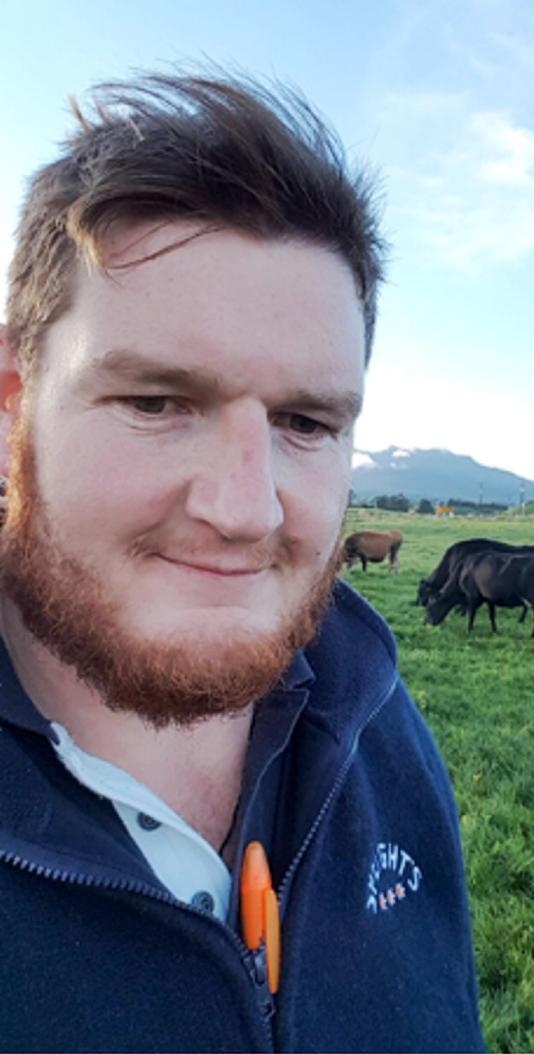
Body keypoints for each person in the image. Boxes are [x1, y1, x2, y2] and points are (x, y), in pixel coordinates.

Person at [0, 71, 484, 1052]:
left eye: (306, 422)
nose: (245, 508)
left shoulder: (378, 722)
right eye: (155, 401)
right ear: (13, 403)